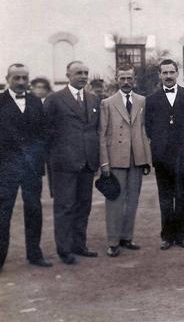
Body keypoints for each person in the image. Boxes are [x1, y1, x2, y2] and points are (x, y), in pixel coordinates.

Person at [44, 61, 100, 264]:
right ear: (68, 74)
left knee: (84, 206)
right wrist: (53, 160)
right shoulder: (54, 100)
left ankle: (79, 244)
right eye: (78, 73)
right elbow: (46, 134)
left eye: (86, 73)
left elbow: (94, 130)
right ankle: (64, 249)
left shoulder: (94, 99)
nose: (83, 76)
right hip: (64, 165)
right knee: (65, 206)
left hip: (87, 163)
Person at [0, 64, 52, 271]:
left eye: (24, 78)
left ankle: (34, 254)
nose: (21, 82)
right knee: (3, 213)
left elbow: (44, 132)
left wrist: (36, 154)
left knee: (34, 210)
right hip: (6, 168)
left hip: (31, 168)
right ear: (8, 79)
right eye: (17, 78)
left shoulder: (35, 101)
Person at [99, 65, 152, 257]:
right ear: (117, 79)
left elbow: (144, 130)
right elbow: (102, 135)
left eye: (129, 78)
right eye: (123, 78)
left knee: (132, 200)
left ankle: (126, 237)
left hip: (136, 158)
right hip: (116, 159)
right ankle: (113, 241)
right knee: (114, 200)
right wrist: (104, 163)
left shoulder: (142, 101)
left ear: (134, 79)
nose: (126, 82)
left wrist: (146, 159)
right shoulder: (108, 103)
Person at [145, 59, 184, 250]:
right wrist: (158, 149)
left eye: (171, 72)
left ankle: (180, 236)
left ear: (177, 74)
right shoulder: (152, 100)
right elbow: (149, 128)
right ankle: (166, 236)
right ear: (160, 75)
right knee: (165, 198)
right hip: (162, 157)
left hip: (183, 157)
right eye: (164, 73)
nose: (168, 76)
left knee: (181, 197)